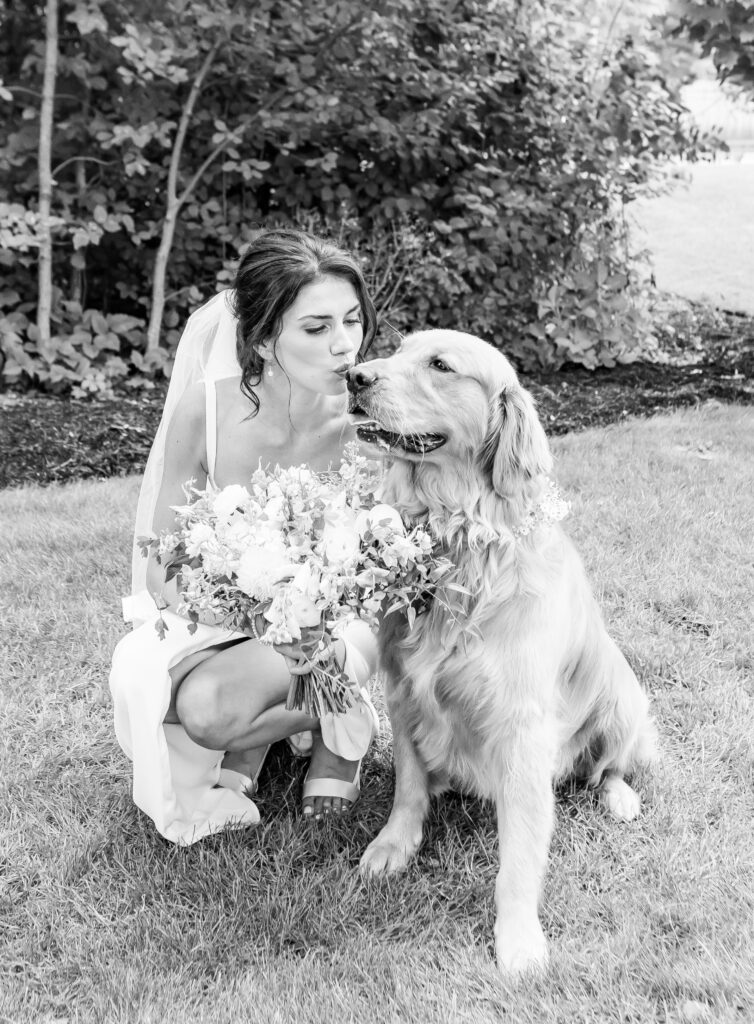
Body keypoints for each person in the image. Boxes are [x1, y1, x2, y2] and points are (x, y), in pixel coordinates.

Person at [109, 229, 381, 844]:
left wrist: (311, 620)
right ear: (262, 339)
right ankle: (302, 716)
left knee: (209, 712)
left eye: (351, 321)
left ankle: (338, 723)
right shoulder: (203, 410)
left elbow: (393, 563)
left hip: (339, 625)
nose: (345, 346)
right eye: (315, 329)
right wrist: (239, 602)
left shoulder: (374, 423)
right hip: (229, 617)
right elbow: (161, 556)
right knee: (167, 702)